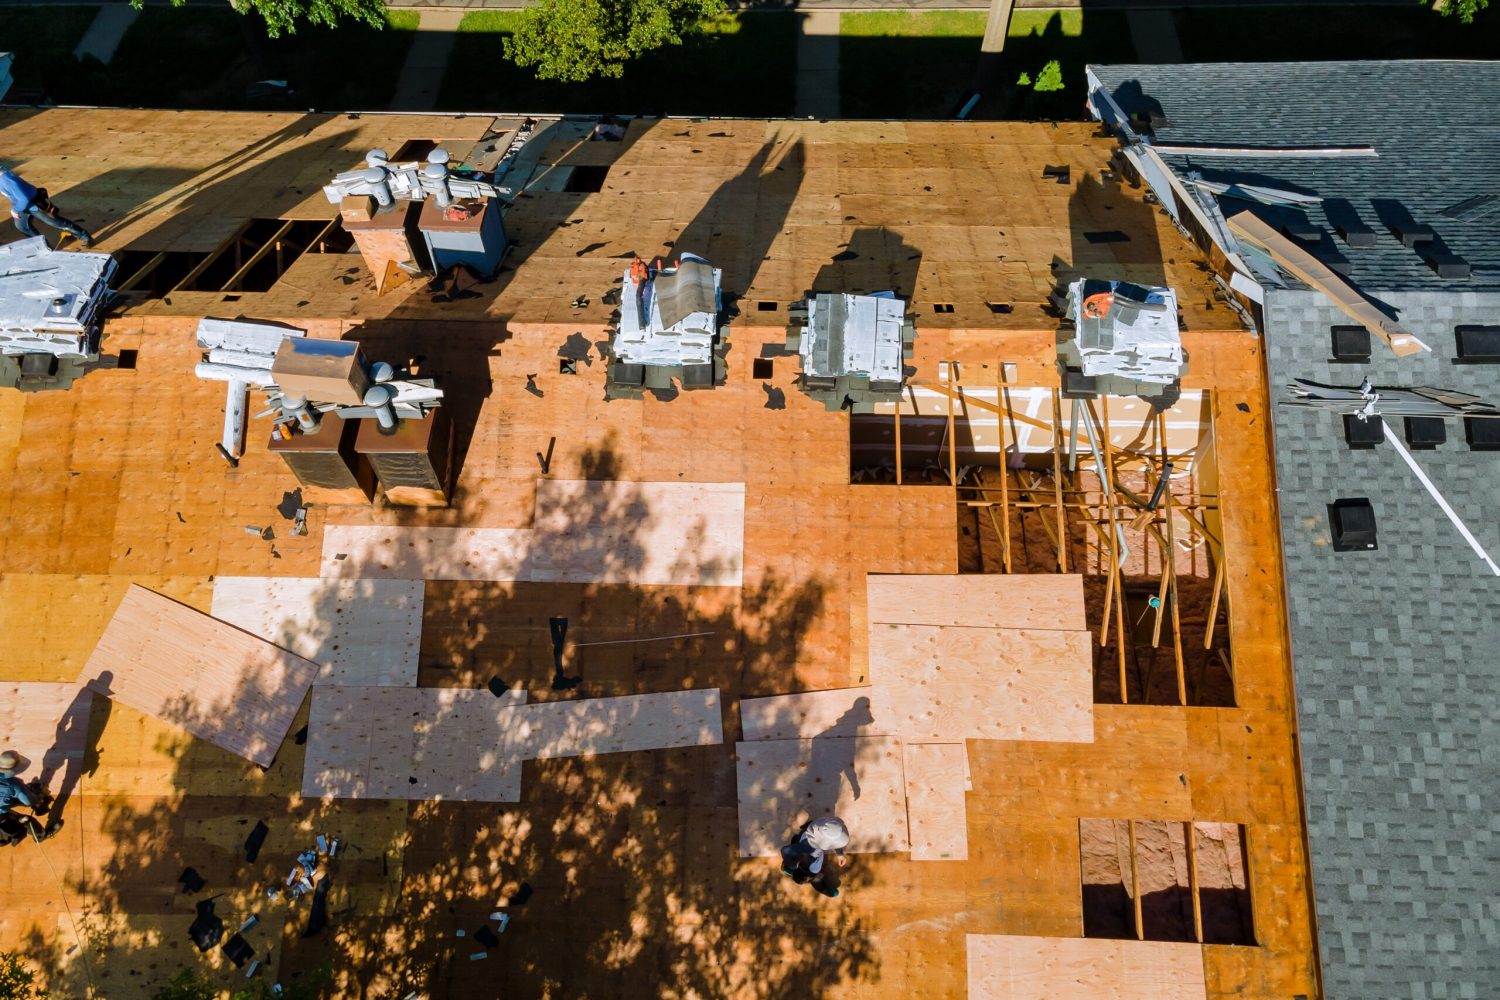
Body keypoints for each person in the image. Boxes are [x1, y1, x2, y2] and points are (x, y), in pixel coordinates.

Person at [0, 169, 92, 246]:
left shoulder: (6, 181)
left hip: (35, 205)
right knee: (22, 226)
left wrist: (15, 210)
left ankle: (84, 236)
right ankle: (42, 245)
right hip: (21, 206)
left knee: (56, 223)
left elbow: (24, 199)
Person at [781, 815, 850, 898]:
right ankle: (824, 889)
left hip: (800, 842)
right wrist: (792, 866)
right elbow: (786, 851)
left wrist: (840, 854)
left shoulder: (817, 826)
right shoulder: (811, 863)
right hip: (807, 869)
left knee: (796, 841)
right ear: (825, 844)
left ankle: (788, 867)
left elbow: (786, 850)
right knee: (816, 879)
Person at [0, 751, 60, 845]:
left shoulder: (14, 785)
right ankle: (40, 836)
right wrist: (39, 798)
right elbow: (29, 802)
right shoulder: (14, 785)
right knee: (28, 821)